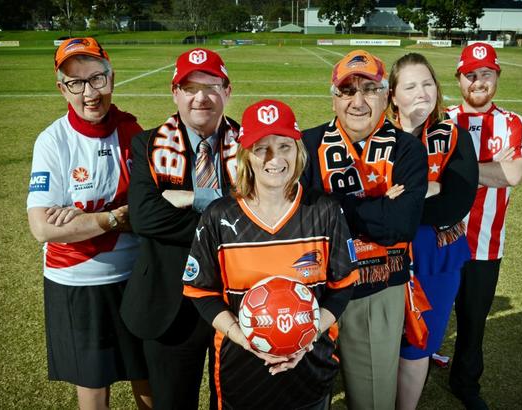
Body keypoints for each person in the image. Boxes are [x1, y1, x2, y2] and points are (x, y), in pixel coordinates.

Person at [182, 99, 359, 409]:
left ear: (298, 151)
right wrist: (241, 336)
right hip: (242, 372)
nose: (274, 158)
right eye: (261, 147)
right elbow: (200, 291)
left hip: (311, 367)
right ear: (246, 155)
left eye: (284, 146)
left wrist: (306, 337)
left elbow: (343, 287)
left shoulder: (325, 211)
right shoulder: (219, 216)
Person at [26, 37, 151, 409]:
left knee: (146, 375)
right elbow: (43, 228)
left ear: (111, 78)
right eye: (76, 83)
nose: (89, 93)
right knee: (94, 386)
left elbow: (150, 212)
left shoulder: (133, 131)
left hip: (134, 277)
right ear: (62, 88)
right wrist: (115, 217)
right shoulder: (52, 141)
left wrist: (85, 220)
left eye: (96, 78)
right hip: (77, 283)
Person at [302, 50, 428, 410]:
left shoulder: (407, 150)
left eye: (369, 90)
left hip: (377, 287)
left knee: (371, 399)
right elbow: (301, 215)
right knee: (307, 395)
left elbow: (400, 225)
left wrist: (331, 204)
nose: (357, 101)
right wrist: (377, 205)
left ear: (386, 95)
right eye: (347, 90)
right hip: (313, 284)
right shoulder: (308, 144)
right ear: (333, 97)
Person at [119, 48, 239, 410]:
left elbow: (260, 213)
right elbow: (145, 218)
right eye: (189, 87)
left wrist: (194, 197)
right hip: (170, 303)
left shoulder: (249, 144)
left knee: (233, 400)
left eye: (211, 86)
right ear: (175, 93)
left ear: (227, 91)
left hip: (234, 300)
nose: (201, 97)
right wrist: (224, 207)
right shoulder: (148, 143)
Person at [385, 53, 478, 410]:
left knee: (417, 345)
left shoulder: (454, 135)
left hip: (436, 257)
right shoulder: (376, 134)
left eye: (428, 83)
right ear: (393, 95)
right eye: (410, 86)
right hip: (380, 256)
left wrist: (401, 196)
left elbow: (456, 203)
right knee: (377, 342)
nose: (422, 92)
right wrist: (428, 187)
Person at [446, 42, 522, 409]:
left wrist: (455, 171)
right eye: (471, 75)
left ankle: (465, 384)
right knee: (421, 314)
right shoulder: (443, 120)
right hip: (438, 240)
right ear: (459, 78)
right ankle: (411, 369)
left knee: (473, 320)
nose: (478, 81)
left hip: (486, 242)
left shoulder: (512, 122)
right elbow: (425, 172)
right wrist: (489, 171)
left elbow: (512, 175)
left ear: (497, 76)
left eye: (486, 74)